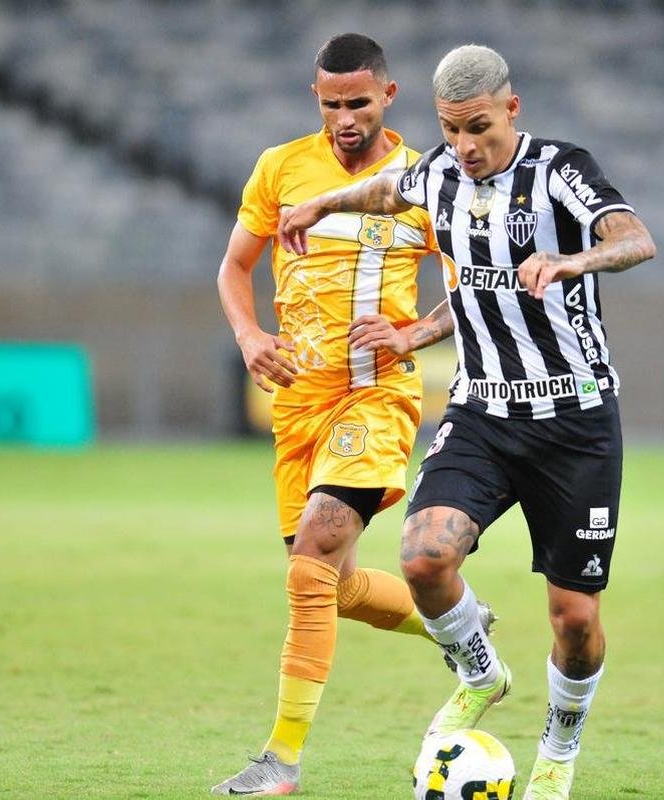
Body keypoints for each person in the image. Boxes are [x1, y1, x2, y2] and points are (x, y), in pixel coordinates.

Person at [279, 44, 656, 800]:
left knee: (574, 618)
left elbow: (634, 238)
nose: (463, 147)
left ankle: (559, 748)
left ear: (509, 110)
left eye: (477, 128)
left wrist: (572, 262)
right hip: (483, 412)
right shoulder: (442, 174)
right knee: (421, 557)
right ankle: (481, 673)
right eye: (450, 130)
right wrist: (323, 204)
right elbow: (393, 192)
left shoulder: (558, 170)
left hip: (574, 420)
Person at [210, 34, 492, 796]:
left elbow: (472, 288)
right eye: (331, 103)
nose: (342, 117)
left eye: (357, 102)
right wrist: (248, 335)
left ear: (389, 98)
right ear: (317, 99)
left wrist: (408, 334)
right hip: (297, 404)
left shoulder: (425, 181)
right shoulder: (279, 169)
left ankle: (281, 760)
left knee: (315, 549)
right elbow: (234, 267)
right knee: (326, 586)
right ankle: (466, 632)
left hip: (376, 394)